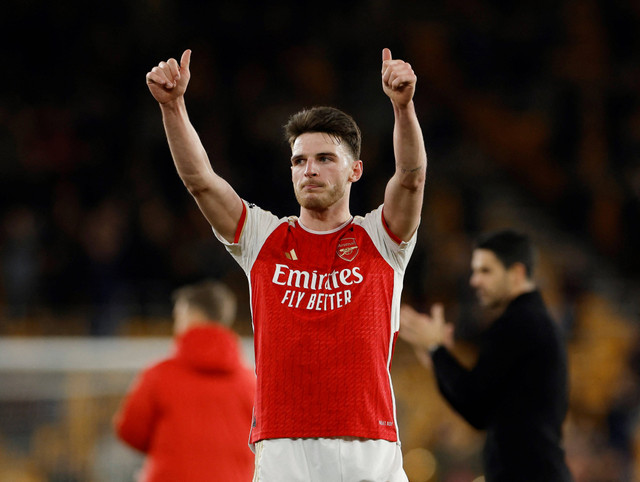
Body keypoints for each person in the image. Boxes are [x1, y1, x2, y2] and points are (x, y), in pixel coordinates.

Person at [144, 47, 426, 480]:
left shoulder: (381, 239)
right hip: (283, 451)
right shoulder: (263, 239)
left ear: (355, 170)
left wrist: (402, 107)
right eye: (299, 160)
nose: (308, 170)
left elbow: (409, 177)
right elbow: (200, 181)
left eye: (324, 158)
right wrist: (173, 107)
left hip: (369, 450)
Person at [399, 229, 573, 481]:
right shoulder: (532, 321)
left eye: (486, 271)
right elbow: (480, 413)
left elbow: (473, 399)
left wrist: (437, 351)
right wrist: (438, 359)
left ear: (516, 273)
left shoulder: (517, 323)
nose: (475, 281)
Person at [113, 280, 256, 482]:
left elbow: (130, 431)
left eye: (178, 317)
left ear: (192, 316)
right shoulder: (251, 383)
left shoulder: (159, 375)